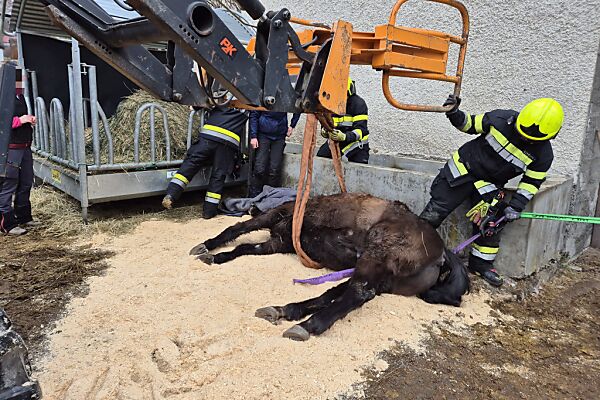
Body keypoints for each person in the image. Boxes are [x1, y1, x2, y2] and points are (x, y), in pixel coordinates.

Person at [419, 95, 563, 287]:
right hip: (462, 170)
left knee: (491, 224)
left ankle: (481, 264)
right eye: (522, 133)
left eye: (531, 140)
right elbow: (469, 124)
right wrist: (454, 112)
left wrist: (516, 206)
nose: (524, 139)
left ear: (551, 136)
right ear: (519, 119)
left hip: (488, 185)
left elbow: (531, 182)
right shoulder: (500, 120)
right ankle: (409, 250)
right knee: (434, 213)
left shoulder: (544, 155)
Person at [162, 105, 248, 219]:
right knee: (218, 175)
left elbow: (204, 100)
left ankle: (171, 194)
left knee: (191, 164)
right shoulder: (249, 100)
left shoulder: (220, 93)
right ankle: (209, 211)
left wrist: (194, 107)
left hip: (209, 135)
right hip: (228, 143)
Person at [0, 85, 40, 236]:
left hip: (24, 145)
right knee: (8, 184)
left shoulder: (19, 96)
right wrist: (19, 120)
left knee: (26, 181)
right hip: (10, 147)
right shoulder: (3, 93)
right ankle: (7, 224)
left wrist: (28, 120)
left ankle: (24, 216)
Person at [248, 110, 300, 197]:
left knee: (274, 170)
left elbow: (298, 107)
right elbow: (254, 114)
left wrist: (292, 125)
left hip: (279, 135)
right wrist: (253, 136)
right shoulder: (264, 97)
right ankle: (254, 197)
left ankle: (271, 198)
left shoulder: (285, 97)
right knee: (259, 169)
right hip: (263, 134)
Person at [317, 78, 370, 164]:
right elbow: (327, 122)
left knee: (358, 170)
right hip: (339, 140)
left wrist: (344, 137)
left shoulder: (358, 104)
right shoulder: (332, 104)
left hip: (357, 144)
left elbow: (361, 131)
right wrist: (325, 131)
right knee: (321, 157)